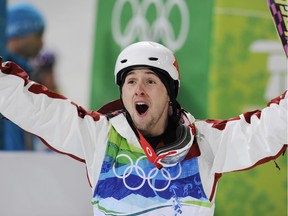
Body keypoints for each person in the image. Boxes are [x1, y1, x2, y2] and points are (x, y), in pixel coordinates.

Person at [0, 41, 287, 215]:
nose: (139, 90)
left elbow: (265, 131)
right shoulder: (99, 137)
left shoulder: (205, 143)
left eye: (150, 81)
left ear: (169, 92)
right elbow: (35, 108)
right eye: (130, 81)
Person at [2, 2, 45, 150]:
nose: (41, 43)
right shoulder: (8, 72)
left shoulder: (25, 72)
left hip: (19, 162)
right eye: (39, 35)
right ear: (20, 33)